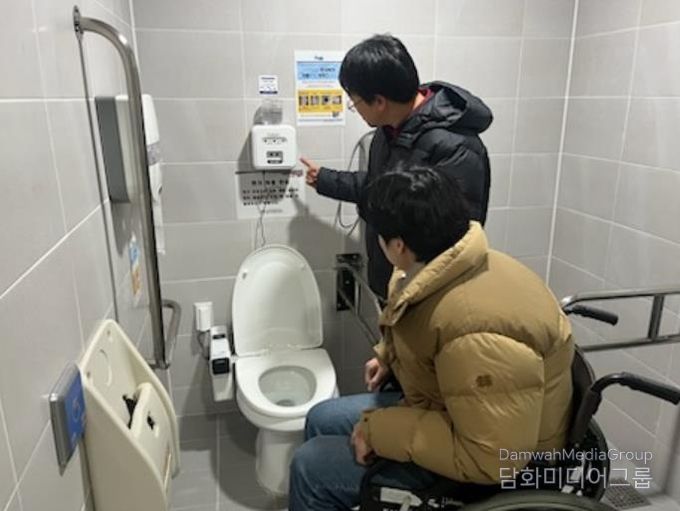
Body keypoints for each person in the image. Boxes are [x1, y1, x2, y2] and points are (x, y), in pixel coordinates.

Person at [289, 167, 575, 511]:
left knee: (310, 466)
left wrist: (378, 432)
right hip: (455, 410)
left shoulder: (476, 331)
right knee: (321, 417)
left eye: (378, 235)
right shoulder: (443, 265)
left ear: (398, 245)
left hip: (501, 467)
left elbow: (491, 457)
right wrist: (388, 356)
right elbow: (424, 327)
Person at [301, 34, 493, 300]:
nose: (355, 109)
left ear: (379, 102)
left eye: (355, 102)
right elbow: (380, 188)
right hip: (394, 283)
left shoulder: (455, 146)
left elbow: (456, 240)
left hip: (426, 295)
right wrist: (325, 179)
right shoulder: (389, 129)